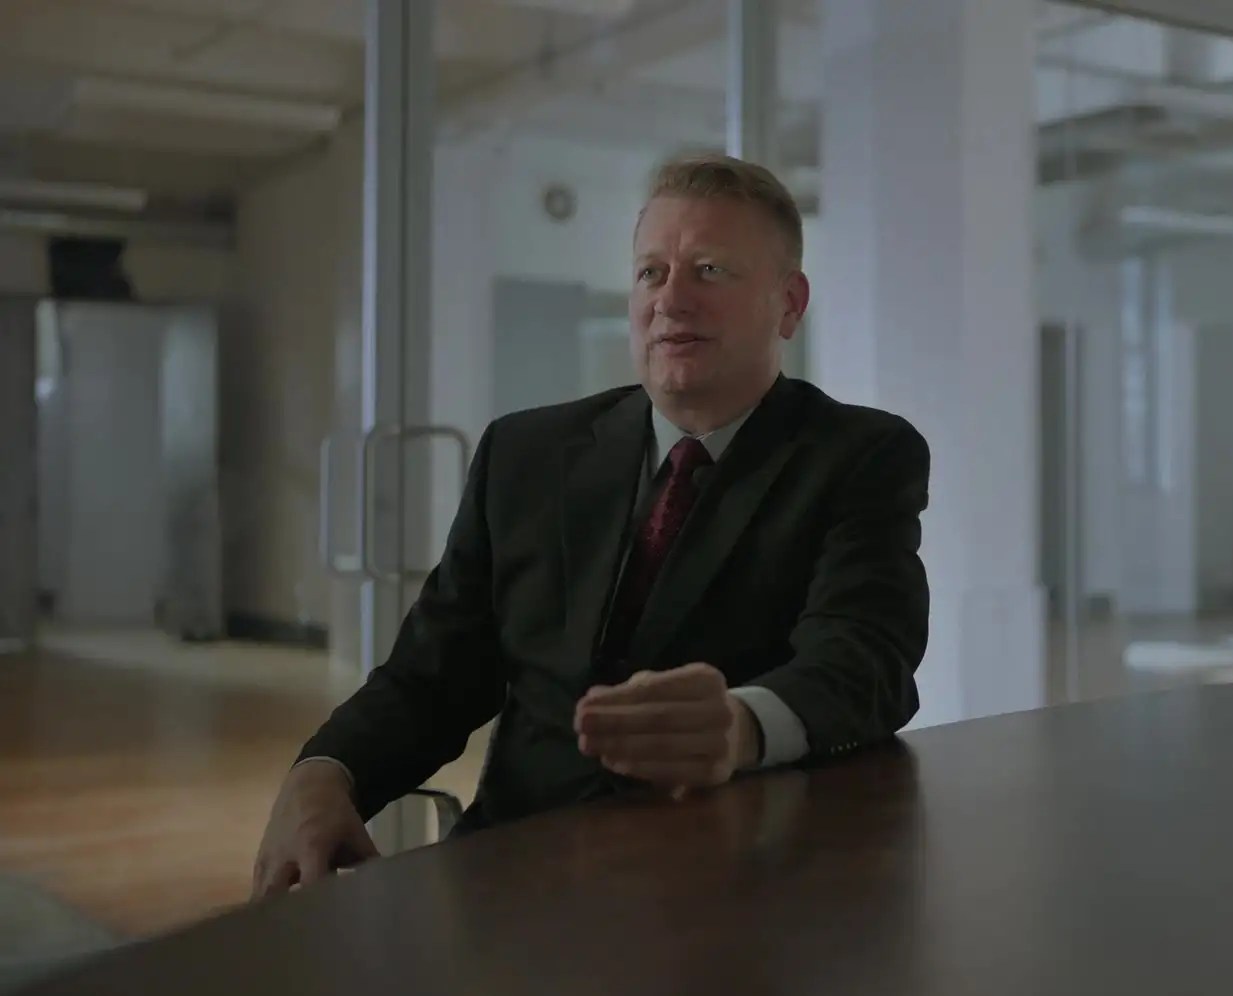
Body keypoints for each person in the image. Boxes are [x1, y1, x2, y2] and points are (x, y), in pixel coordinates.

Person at [252, 155, 931, 897]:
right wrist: (328, 771)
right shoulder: (525, 455)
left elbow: (865, 661)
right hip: (514, 874)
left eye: (709, 270)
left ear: (789, 304)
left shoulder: (858, 456)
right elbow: (434, 675)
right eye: (651, 273)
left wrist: (742, 726)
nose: (670, 299)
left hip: (728, 888)